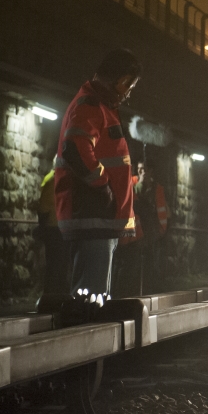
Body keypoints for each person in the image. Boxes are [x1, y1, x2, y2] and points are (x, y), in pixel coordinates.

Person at [53, 49, 141, 304]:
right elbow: (76, 149)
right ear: (120, 81)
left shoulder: (99, 106)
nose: (128, 93)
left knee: (94, 300)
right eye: (129, 86)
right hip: (93, 219)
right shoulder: (92, 106)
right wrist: (104, 188)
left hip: (98, 220)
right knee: (90, 303)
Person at [130, 161, 170, 291]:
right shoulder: (133, 184)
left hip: (151, 232)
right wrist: (141, 185)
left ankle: (149, 291)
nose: (142, 172)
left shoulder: (157, 188)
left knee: (150, 265)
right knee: (133, 266)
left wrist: (160, 231)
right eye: (140, 169)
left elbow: (163, 210)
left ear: (151, 171)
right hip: (134, 231)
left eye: (145, 169)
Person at [34, 169, 71, 300]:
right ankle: (58, 298)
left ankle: (51, 297)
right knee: (61, 266)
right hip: (63, 229)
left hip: (53, 228)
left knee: (53, 266)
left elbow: (43, 208)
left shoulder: (51, 181)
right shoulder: (68, 180)